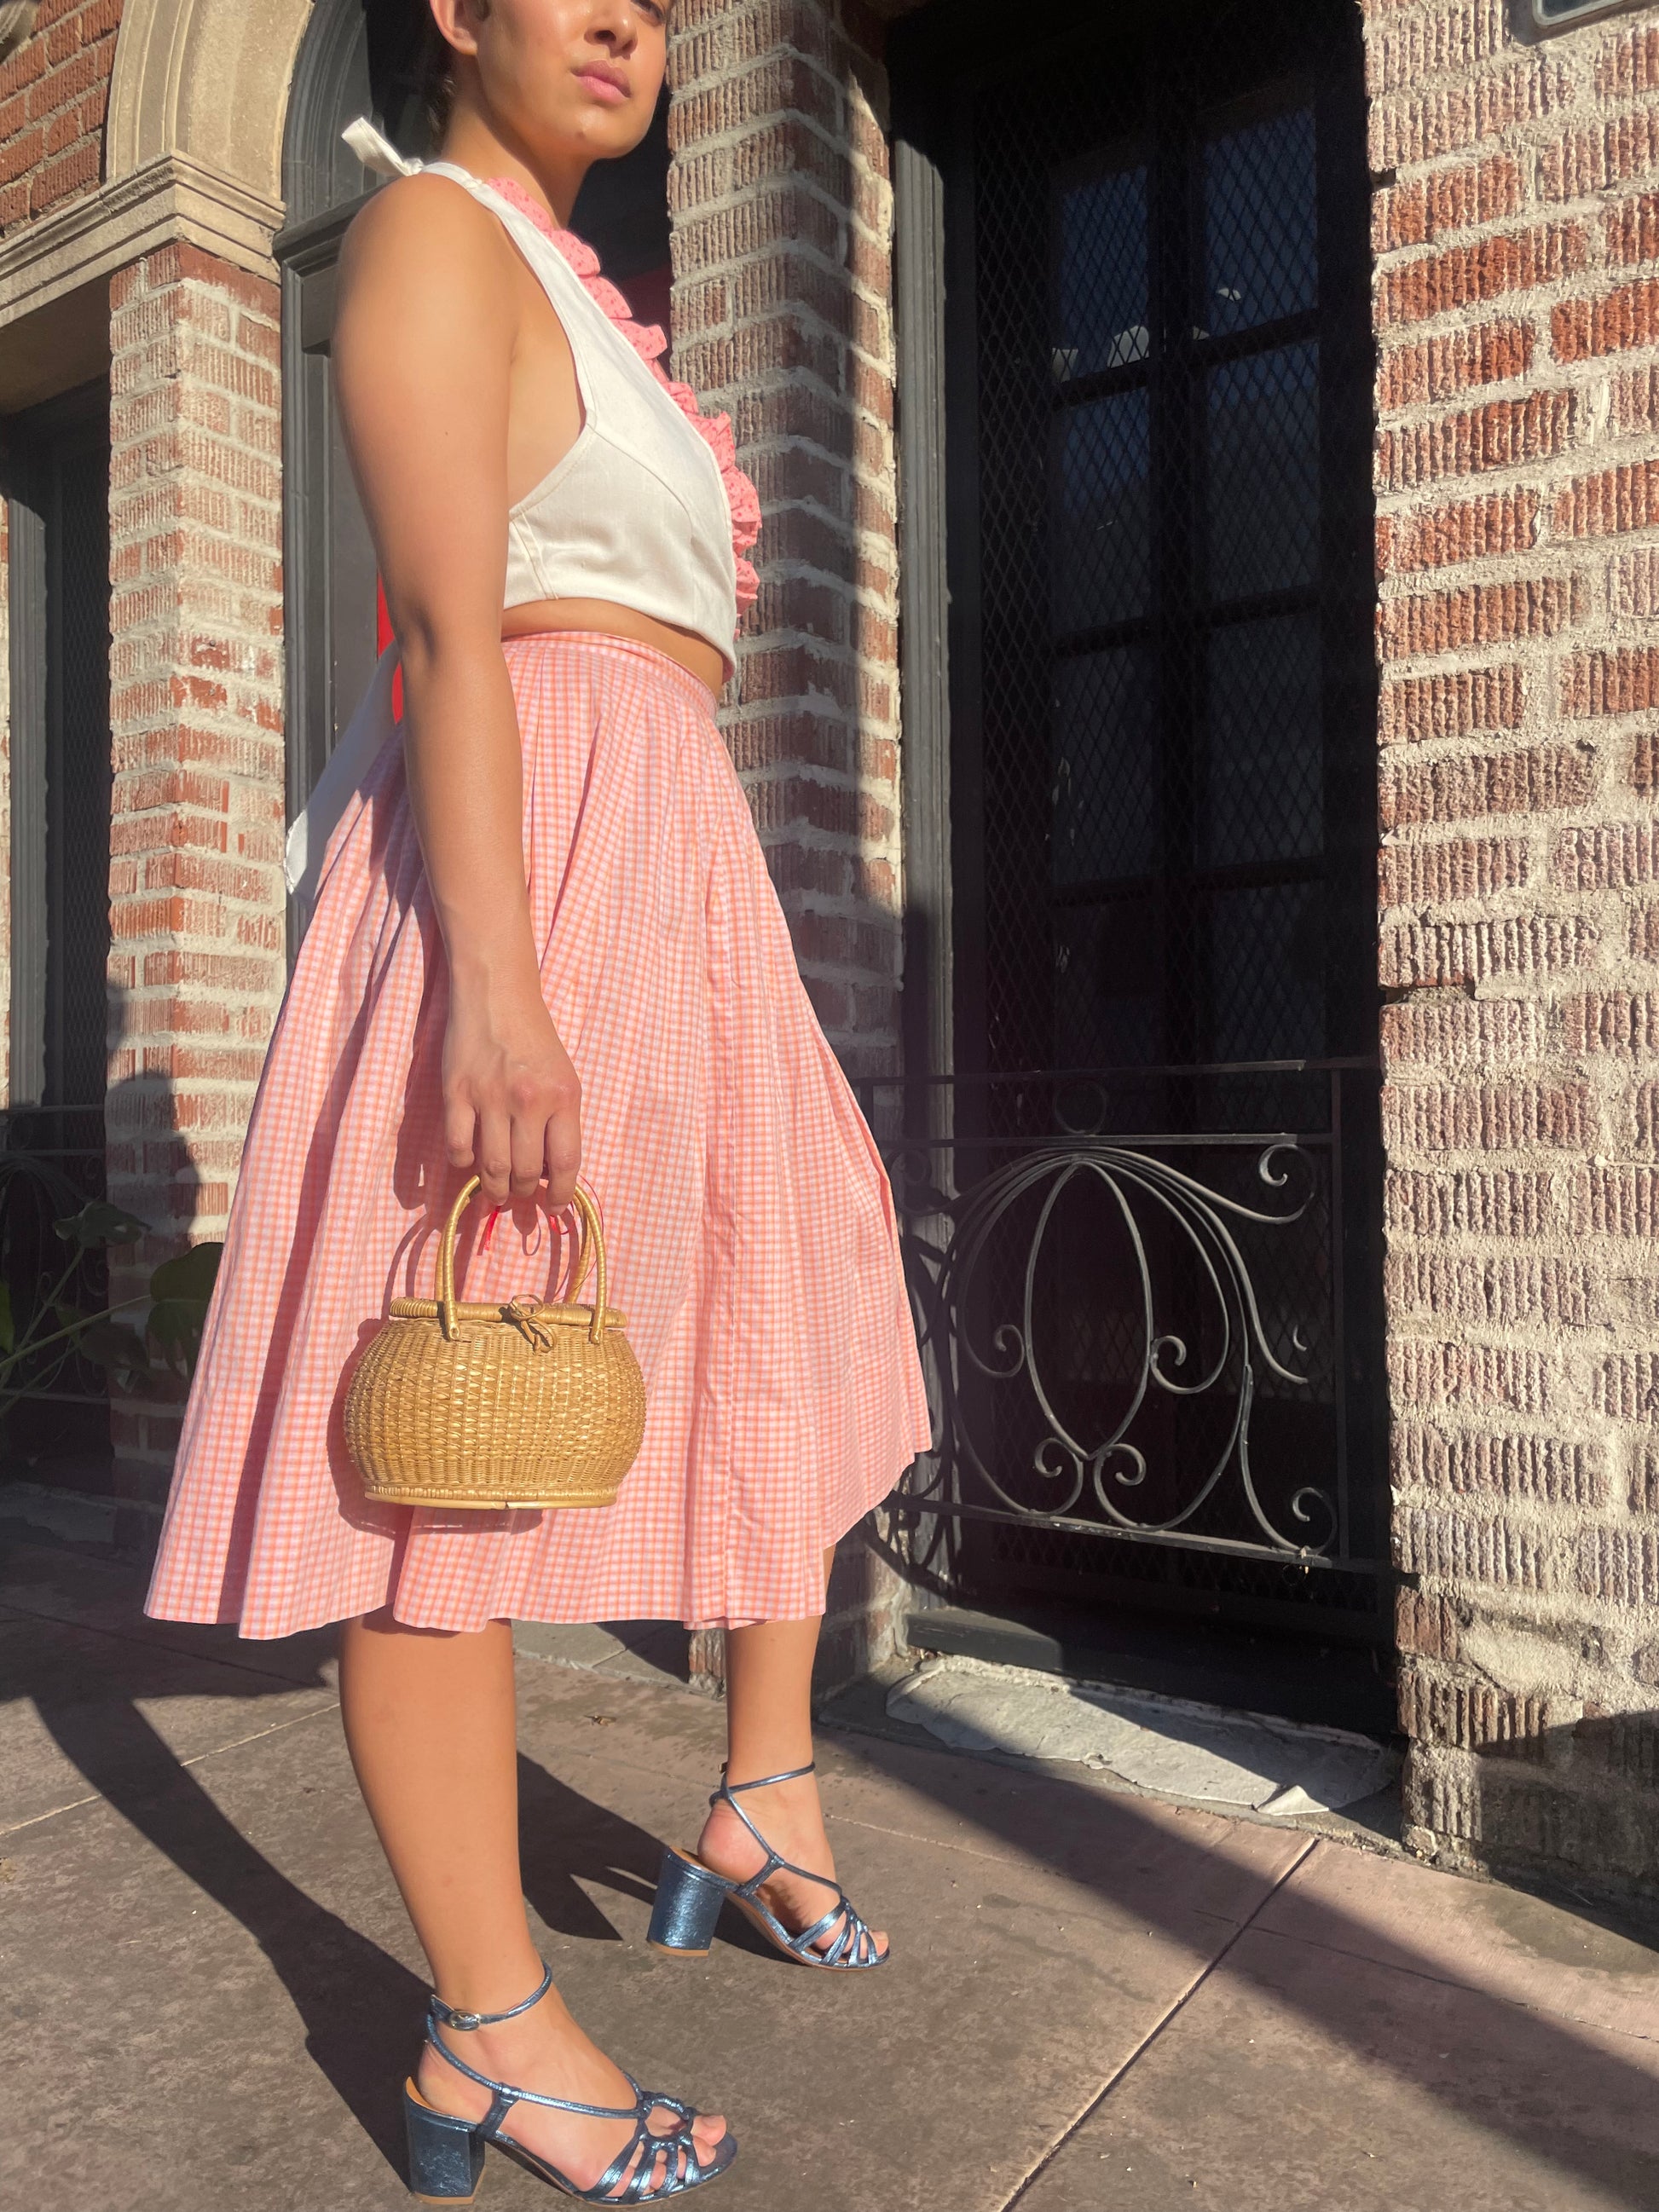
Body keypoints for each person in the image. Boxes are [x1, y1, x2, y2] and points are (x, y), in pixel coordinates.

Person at [142, 0, 932, 2200]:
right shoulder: (423, 237)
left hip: (669, 854)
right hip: (535, 855)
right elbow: (450, 628)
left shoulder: (592, 296)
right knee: (451, 1442)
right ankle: (485, 2023)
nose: (624, 20)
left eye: (660, 0)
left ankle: (762, 1781)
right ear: (456, 13)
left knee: (811, 1295)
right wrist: (493, 985)